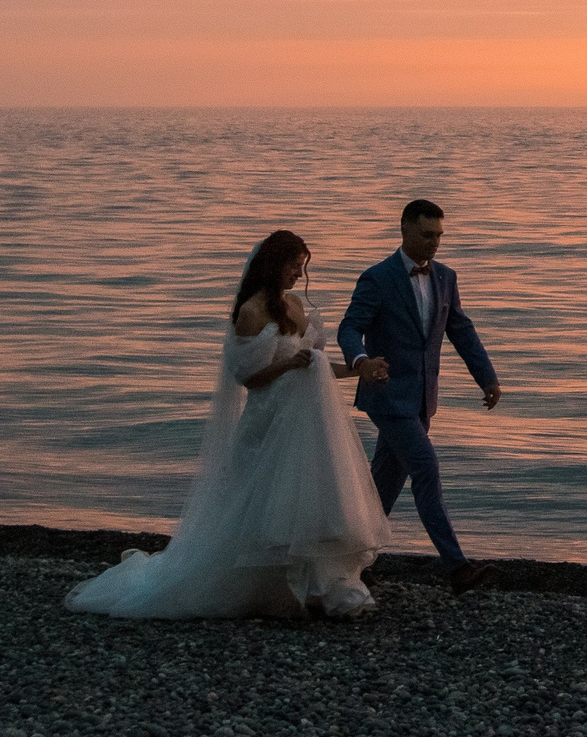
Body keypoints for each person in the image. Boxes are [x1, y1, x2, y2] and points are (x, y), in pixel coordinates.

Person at [65, 230, 387, 619]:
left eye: (301, 267)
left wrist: (359, 370)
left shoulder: (297, 306)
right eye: (291, 265)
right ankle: (265, 586)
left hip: (304, 423)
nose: (297, 274)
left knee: (305, 499)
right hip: (268, 421)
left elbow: (316, 365)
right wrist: (288, 364)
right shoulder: (251, 313)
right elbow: (249, 378)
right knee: (260, 501)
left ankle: (313, 585)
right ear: (272, 265)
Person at [337, 197, 503, 593]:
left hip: (423, 399)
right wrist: (361, 362)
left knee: (384, 485)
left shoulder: (446, 277)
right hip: (387, 396)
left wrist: (487, 378)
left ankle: (349, 563)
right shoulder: (377, 278)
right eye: (427, 235)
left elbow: (460, 330)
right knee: (426, 468)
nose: (435, 243)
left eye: (440, 236)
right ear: (406, 229)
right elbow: (349, 328)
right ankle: (457, 568)